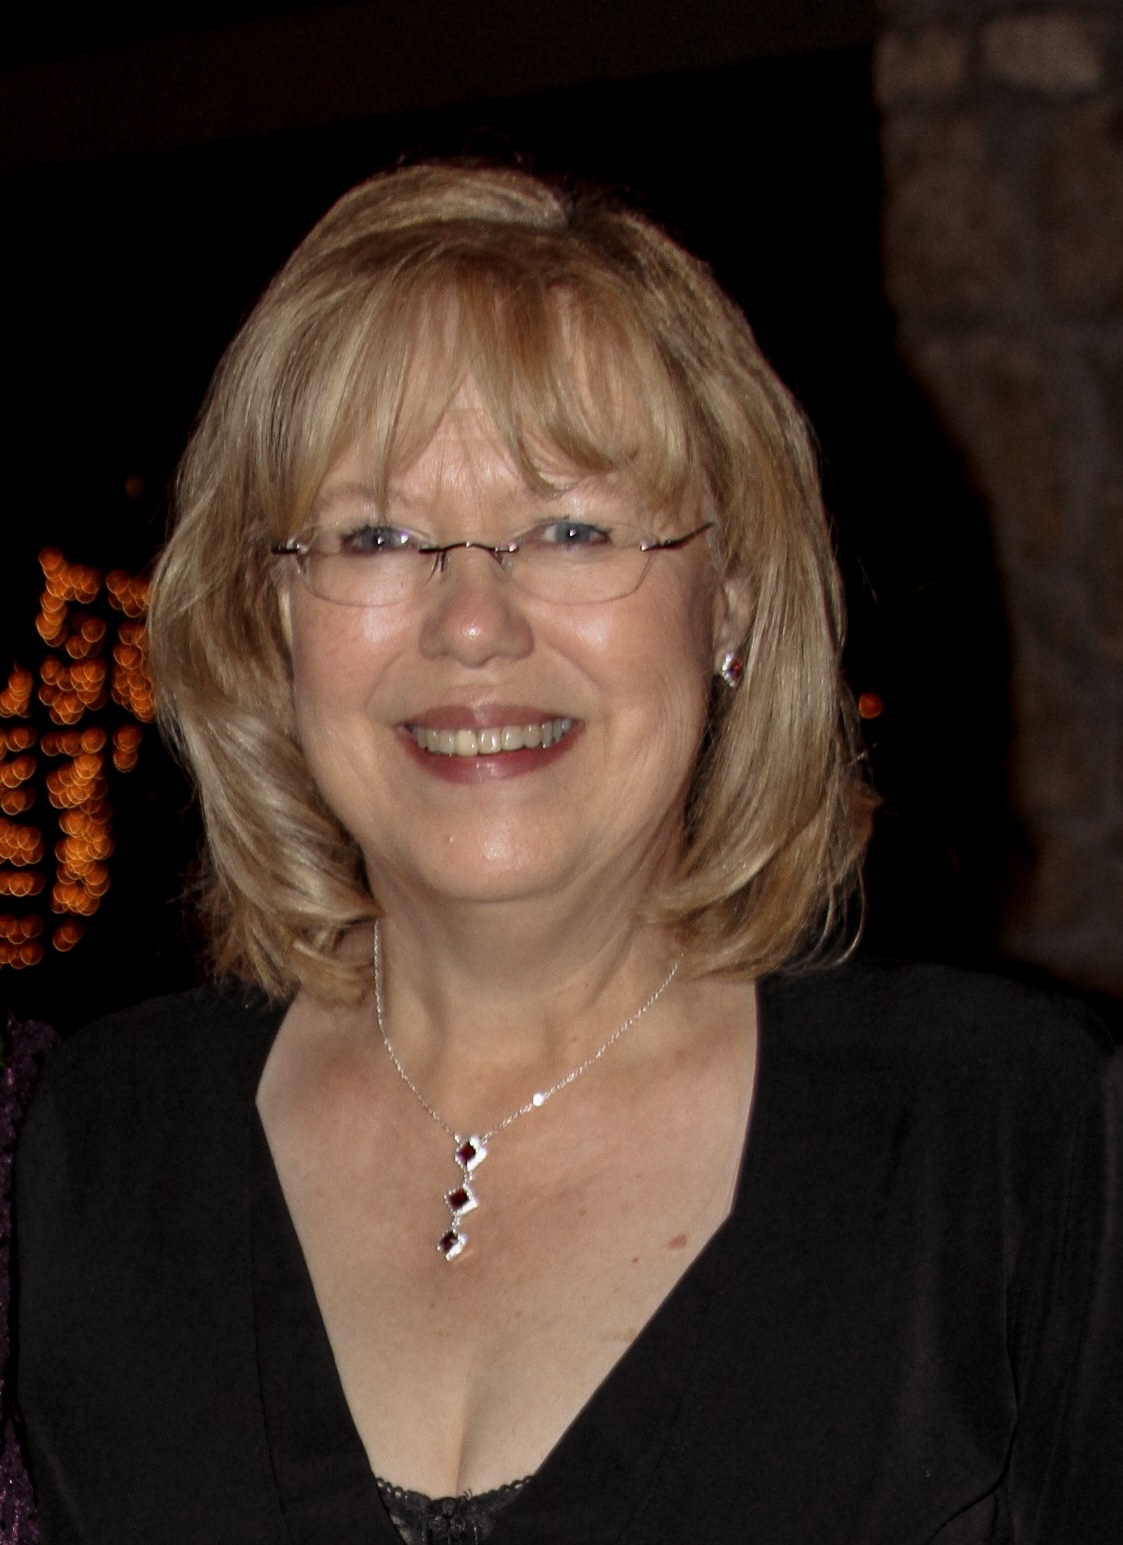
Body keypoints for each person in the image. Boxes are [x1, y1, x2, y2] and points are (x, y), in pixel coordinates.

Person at [13, 163, 1122, 1544]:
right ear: (272, 614)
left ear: (731, 600)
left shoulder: (1014, 1143)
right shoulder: (84, 1151)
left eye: (573, 528)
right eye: (378, 535)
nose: (473, 622)